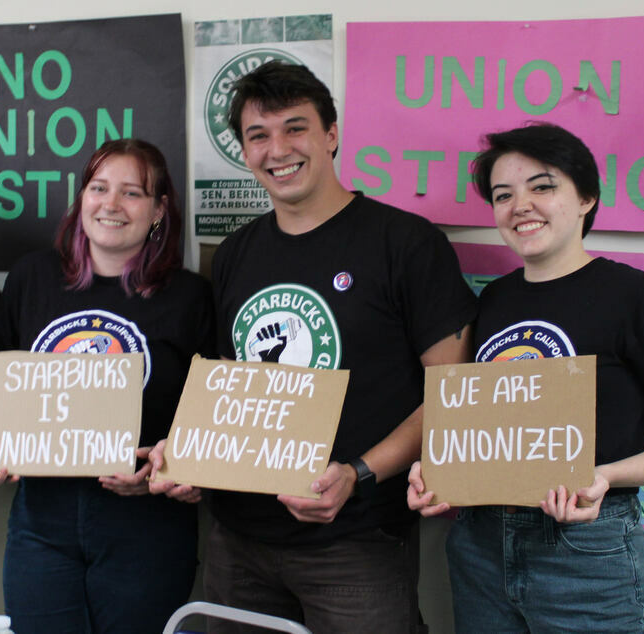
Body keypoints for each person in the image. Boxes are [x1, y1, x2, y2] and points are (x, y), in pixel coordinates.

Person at [151, 61, 477, 633]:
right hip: (238, 540)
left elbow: (452, 395)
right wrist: (185, 455)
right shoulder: (232, 254)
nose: (278, 149)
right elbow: (228, 387)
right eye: (259, 135)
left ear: (330, 134)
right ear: (245, 152)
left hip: (356, 540)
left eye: (295, 127)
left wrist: (357, 472)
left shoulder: (405, 243)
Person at [407, 122, 644, 632]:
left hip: (587, 549)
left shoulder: (633, 295)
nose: (520, 205)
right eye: (503, 194)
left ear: (587, 198)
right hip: (480, 545)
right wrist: (434, 471)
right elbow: (474, 424)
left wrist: (604, 477)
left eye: (543, 186)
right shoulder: (492, 301)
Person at [0, 138, 213, 633]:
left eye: (133, 193)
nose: (112, 205)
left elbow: (211, 413)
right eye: (99, 188)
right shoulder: (32, 277)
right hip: (43, 522)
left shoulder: (190, 296)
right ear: (81, 199)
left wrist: (173, 465)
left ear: (159, 209)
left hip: (147, 524)